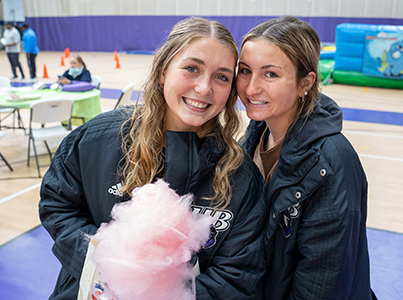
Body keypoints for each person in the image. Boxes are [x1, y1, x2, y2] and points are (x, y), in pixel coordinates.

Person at [39, 17, 266, 300]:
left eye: (221, 77)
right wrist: (111, 266)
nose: (204, 88)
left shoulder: (239, 177)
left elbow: (237, 274)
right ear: (162, 69)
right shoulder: (96, 139)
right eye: (192, 68)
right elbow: (57, 204)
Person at [238, 16, 376, 300]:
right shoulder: (251, 140)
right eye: (245, 71)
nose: (251, 88)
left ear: (306, 82)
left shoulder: (332, 163)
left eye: (271, 74)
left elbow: (321, 287)